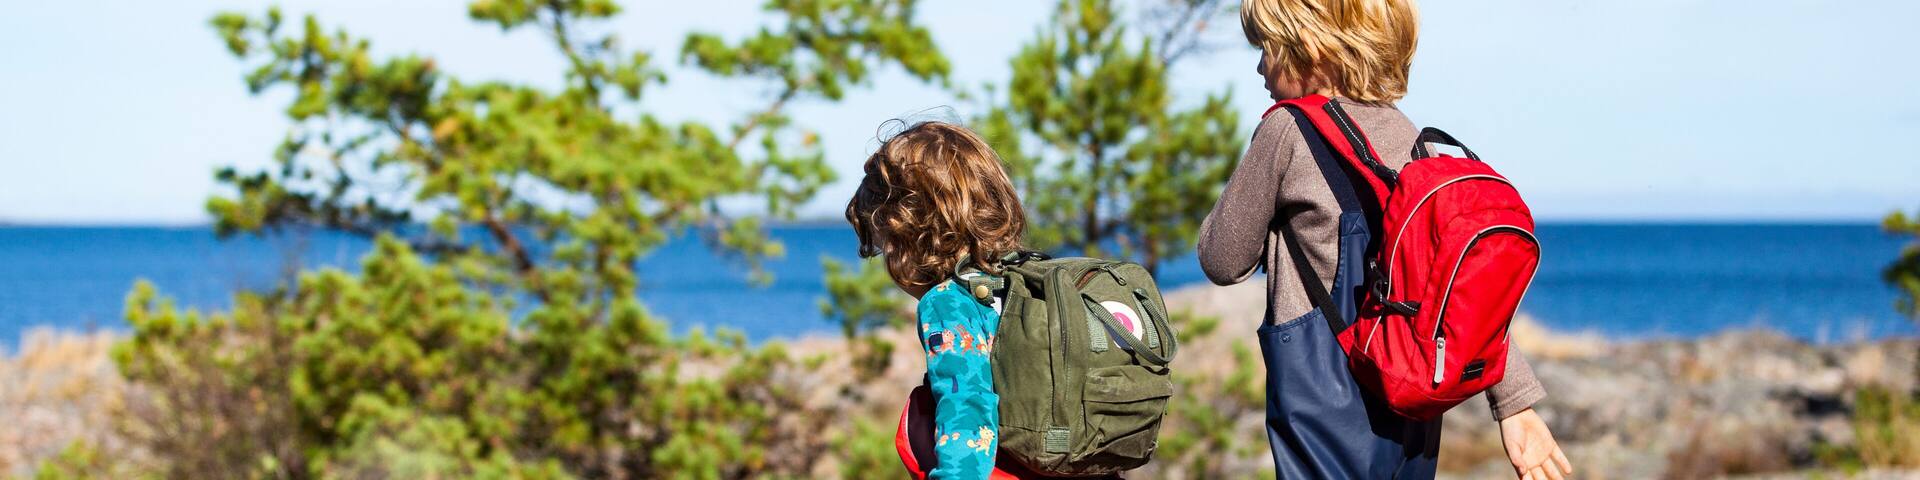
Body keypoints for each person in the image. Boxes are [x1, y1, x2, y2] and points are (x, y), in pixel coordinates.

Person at [1199, 0, 1575, 478]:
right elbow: (1456, 288)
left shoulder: (1285, 128)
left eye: (1267, 48)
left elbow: (1221, 259)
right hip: (1407, 402)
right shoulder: (1410, 137)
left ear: (1310, 50)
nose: (1259, 66)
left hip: (1324, 398)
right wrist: (1515, 404)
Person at [846, 120, 1026, 480]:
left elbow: (967, 413)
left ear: (910, 235)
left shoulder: (949, 304)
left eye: (885, 246)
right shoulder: (1022, 281)